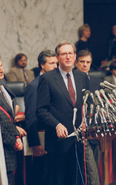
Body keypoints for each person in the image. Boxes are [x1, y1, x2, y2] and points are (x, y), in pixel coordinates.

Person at [37, 40, 90, 185]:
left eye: (70, 53)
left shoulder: (82, 77)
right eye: (64, 54)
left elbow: (87, 105)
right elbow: (41, 110)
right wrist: (56, 125)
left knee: (75, 180)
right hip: (57, 142)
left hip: (78, 141)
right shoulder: (47, 78)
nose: (67, 57)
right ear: (58, 57)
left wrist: (86, 120)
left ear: (75, 57)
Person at [25, 50, 58, 185]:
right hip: (42, 137)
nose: (55, 66)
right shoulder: (33, 86)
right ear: (42, 65)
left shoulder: (58, 82)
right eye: (52, 63)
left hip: (56, 136)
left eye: (56, 63)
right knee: (41, 175)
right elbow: (31, 117)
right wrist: (36, 143)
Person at [75, 50, 101, 185]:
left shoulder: (97, 81)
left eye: (88, 62)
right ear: (76, 63)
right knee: (89, 170)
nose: (85, 65)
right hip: (78, 132)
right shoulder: (71, 81)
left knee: (94, 167)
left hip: (96, 133)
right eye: (82, 62)